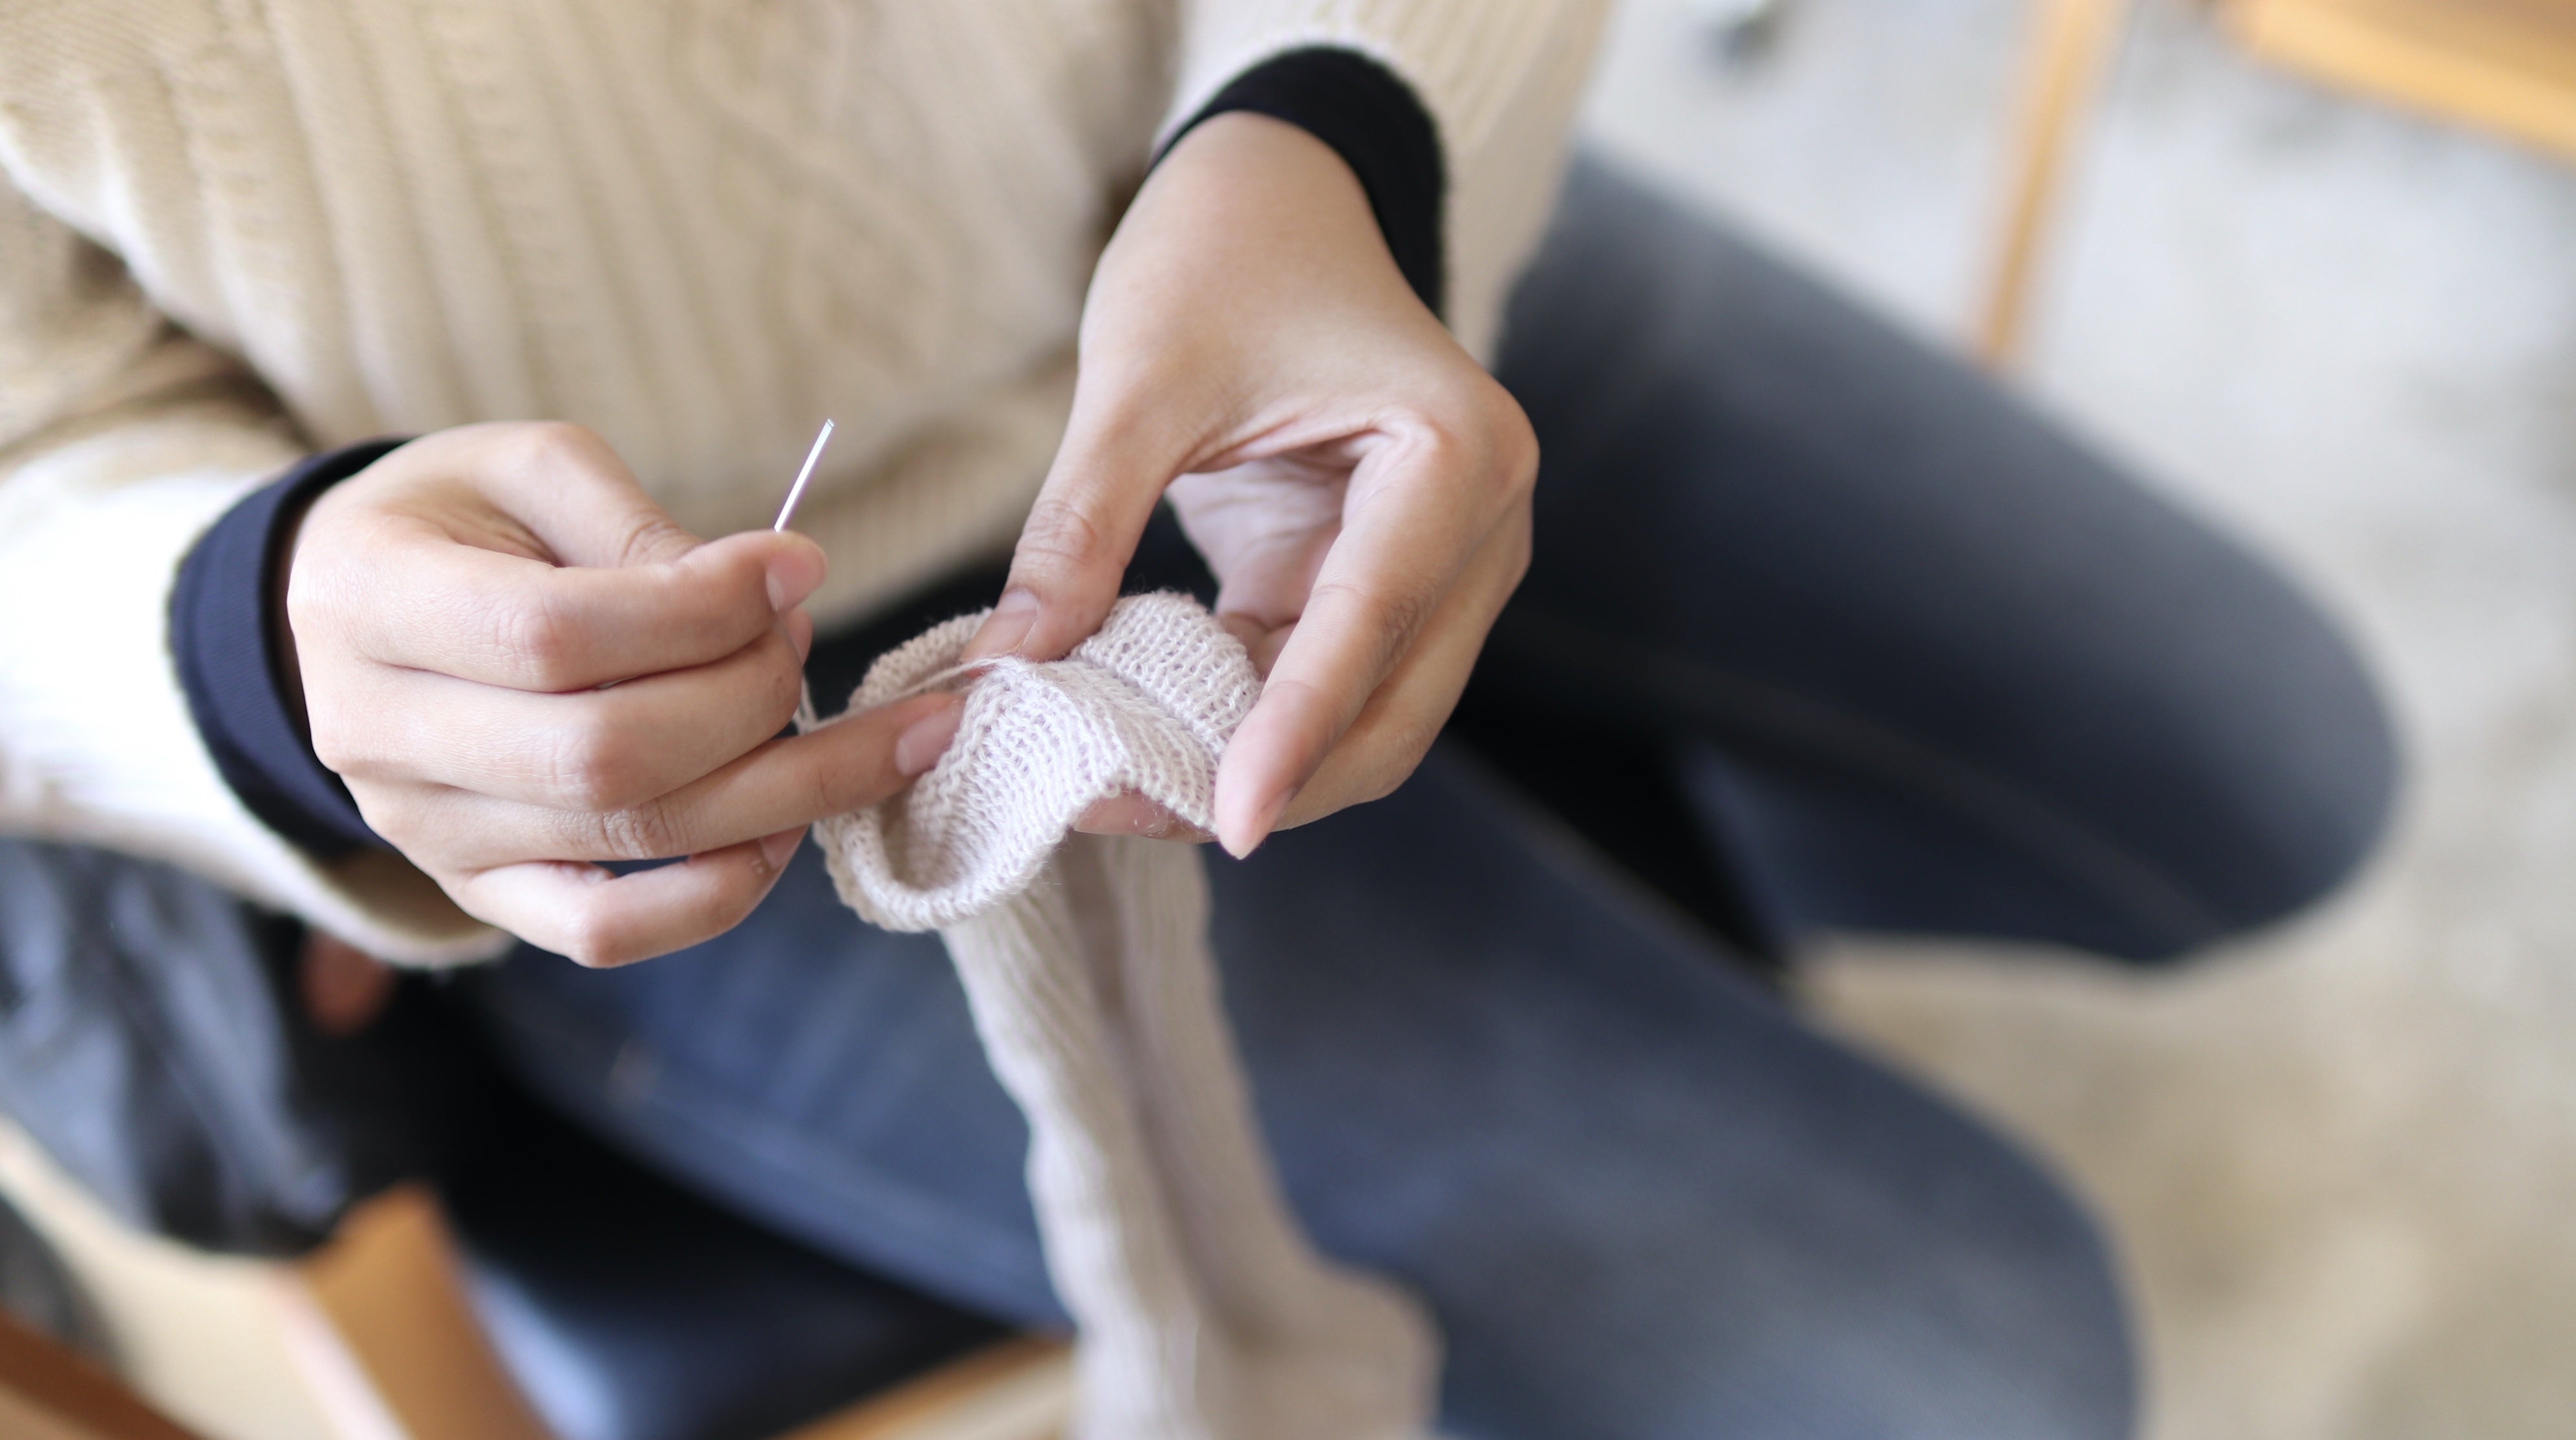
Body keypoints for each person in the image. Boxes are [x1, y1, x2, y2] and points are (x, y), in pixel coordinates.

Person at [0, 4, 2394, 1436]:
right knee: (1980, 1372)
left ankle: (1608, 883)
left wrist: (1345, 118)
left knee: (2282, 768)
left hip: (1262, 185)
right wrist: (247, 634)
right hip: (660, 725)